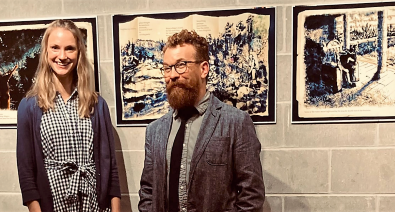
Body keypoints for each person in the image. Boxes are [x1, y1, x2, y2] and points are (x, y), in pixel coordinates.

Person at [138, 29, 265, 212]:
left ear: (203, 68)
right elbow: (148, 192)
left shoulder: (236, 123)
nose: (172, 75)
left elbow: (251, 196)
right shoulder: (154, 131)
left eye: (181, 65)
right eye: (167, 67)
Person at [16, 19, 120, 212]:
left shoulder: (97, 105)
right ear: (46, 51)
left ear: (79, 52)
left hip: (94, 205)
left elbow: (110, 166)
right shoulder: (29, 107)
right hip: (53, 204)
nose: (62, 56)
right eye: (55, 47)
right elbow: (26, 173)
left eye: (69, 48)